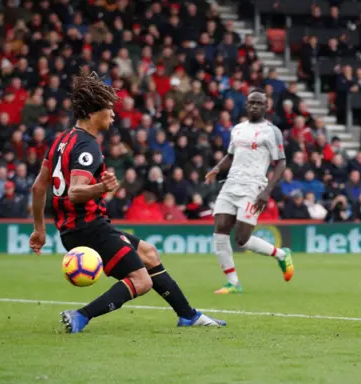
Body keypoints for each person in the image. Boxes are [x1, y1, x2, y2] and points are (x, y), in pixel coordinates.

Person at [29, 73, 225, 333]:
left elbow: (38, 186)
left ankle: (188, 315)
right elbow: (76, 192)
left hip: (74, 228)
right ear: (92, 112)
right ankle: (80, 316)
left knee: (149, 254)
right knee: (141, 281)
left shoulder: (61, 141)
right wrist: (102, 187)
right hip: (89, 228)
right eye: (108, 108)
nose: (113, 113)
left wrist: (39, 229)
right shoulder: (88, 147)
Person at [205, 88, 294, 294]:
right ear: (246, 105)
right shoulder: (237, 129)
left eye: (259, 103)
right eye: (251, 102)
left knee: (242, 240)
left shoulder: (272, 131)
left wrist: (267, 191)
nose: (254, 106)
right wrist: (217, 168)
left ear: (266, 107)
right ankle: (233, 283)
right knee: (220, 233)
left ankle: (281, 254)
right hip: (230, 185)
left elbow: (280, 163)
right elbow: (230, 155)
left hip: (253, 187)